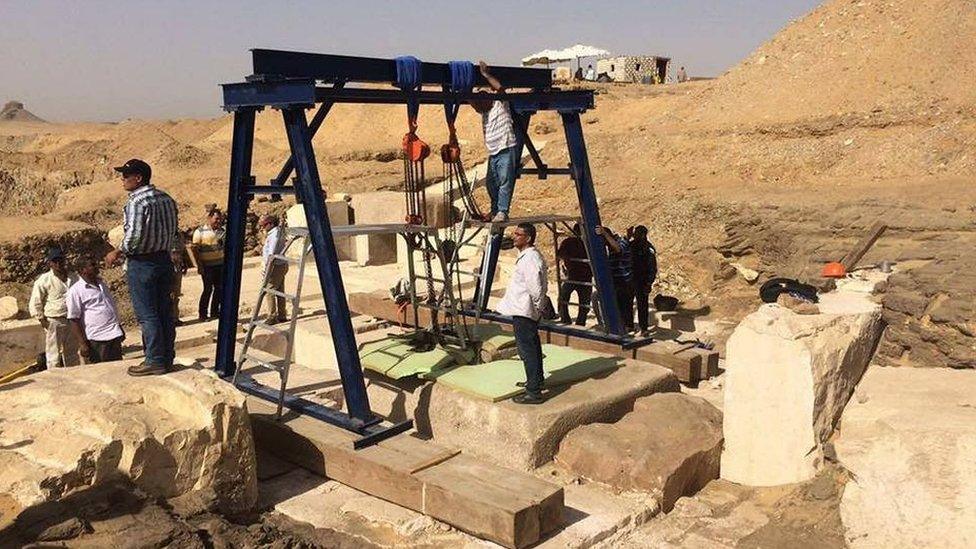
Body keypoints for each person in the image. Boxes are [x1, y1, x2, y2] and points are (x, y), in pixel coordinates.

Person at [104, 158, 180, 377]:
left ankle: (154, 360)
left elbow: (135, 236)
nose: (122, 180)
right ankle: (167, 357)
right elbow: (174, 230)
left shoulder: (137, 201)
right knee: (164, 311)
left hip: (142, 263)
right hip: (163, 260)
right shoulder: (166, 198)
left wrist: (118, 251)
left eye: (126, 176)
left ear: (138, 178)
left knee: (148, 315)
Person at [496, 223, 548, 404]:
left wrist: (537, 306)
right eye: (515, 233)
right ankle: (536, 381)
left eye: (518, 234)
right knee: (532, 346)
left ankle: (533, 392)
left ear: (528, 238)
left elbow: (535, 286)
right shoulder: (527, 256)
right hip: (523, 308)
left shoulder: (529, 259)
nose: (514, 237)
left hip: (525, 310)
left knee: (527, 350)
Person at [470, 61, 518, 223]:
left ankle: (502, 211)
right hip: (494, 152)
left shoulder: (500, 104)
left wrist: (486, 75)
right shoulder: (484, 112)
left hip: (505, 147)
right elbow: (473, 102)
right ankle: (494, 209)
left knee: (505, 181)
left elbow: (500, 89)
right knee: (491, 183)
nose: (477, 106)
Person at [29, 246, 80, 368]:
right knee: (53, 353)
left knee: (72, 351)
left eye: (60, 260)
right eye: (55, 261)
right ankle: (55, 380)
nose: (58, 264)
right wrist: (41, 319)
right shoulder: (44, 280)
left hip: (72, 319)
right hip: (54, 319)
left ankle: (74, 377)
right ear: (50, 263)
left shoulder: (73, 277)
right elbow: (36, 301)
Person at [67, 257, 124, 363]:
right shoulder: (75, 291)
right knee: (103, 372)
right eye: (92, 265)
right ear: (82, 270)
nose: (96, 266)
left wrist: (119, 327)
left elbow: (110, 307)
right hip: (97, 339)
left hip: (114, 335)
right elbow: (73, 319)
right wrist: (82, 343)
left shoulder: (102, 284)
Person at [595, 225, 635, 331]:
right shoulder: (610, 247)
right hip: (616, 281)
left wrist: (604, 234)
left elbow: (618, 249)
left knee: (625, 306)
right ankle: (621, 326)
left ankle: (628, 327)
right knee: (619, 306)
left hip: (625, 281)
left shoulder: (621, 241)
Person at [191, 205, 225, 321]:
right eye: (216, 219)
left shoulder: (222, 232)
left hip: (220, 265)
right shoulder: (199, 232)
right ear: (210, 218)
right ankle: (203, 314)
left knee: (219, 288)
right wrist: (199, 265)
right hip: (207, 266)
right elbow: (194, 250)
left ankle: (215, 312)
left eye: (220, 219)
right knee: (207, 289)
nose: (218, 221)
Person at [556, 223, 592, 326]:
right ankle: (566, 318)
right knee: (564, 297)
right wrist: (566, 258)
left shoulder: (587, 242)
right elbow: (560, 253)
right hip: (574, 275)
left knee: (584, 302)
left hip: (584, 276)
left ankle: (579, 322)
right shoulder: (569, 241)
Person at [260, 214, 289, 324]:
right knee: (280, 290)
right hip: (281, 263)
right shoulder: (277, 232)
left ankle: (272, 316)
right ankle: (282, 315)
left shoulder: (274, 234)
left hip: (275, 265)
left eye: (264, 225)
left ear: (271, 224)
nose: (263, 228)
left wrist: (266, 267)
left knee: (269, 290)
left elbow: (271, 253)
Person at [629, 225, 658, 334]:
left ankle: (644, 328)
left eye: (637, 233)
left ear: (643, 235)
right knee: (628, 304)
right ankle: (629, 325)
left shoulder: (648, 248)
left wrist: (649, 283)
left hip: (642, 281)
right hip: (630, 279)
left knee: (642, 305)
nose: (635, 235)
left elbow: (652, 267)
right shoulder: (631, 245)